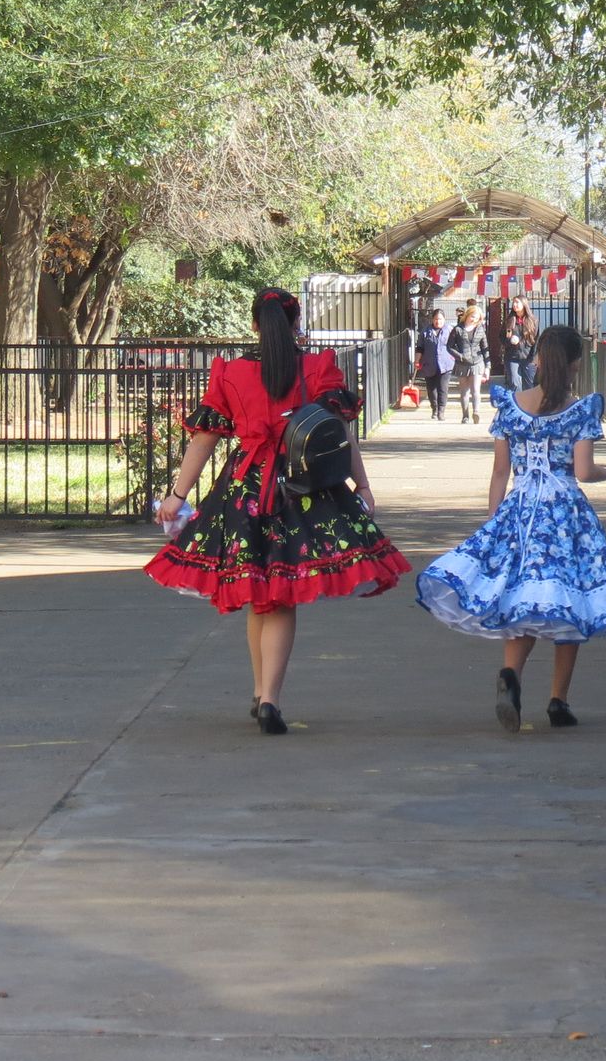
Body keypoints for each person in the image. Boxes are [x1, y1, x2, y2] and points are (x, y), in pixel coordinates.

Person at [146, 287, 411, 734]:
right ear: (296, 324)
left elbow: (204, 439)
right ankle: (268, 697)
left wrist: (177, 494)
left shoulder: (230, 374)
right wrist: (361, 485)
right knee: (282, 594)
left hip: (245, 490)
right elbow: (340, 432)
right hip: (302, 490)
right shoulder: (317, 368)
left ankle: (259, 691)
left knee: (259, 594)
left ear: (254, 324)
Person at [417, 323, 606, 732]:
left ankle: (511, 675)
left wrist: (492, 525)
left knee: (521, 596)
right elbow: (583, 470)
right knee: (569, 599)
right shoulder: (581, 409)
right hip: (564, 513)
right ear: (576, 363)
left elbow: (500, 472)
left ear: (538, 358)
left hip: (520, 510)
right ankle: (558, 700)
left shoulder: (510, 406)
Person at [448, 302, 491, 425]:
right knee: (464, 391)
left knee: (475, 390)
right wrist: (460, 356)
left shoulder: (480, 330)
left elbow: (485, 349)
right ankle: (465, 415)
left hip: (477, 362)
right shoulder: (457, 329)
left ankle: (476, 412)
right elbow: (449, 347)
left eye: (477, 318)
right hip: (462, 363)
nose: (474, 320)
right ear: (467, 315)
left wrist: (488, 367)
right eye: (473, 317)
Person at [412, 308, 455, 421]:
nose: (438, 321)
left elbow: (456, 345)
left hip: (445, 365)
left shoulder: (450, 330)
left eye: (440, 319)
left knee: (443, 388)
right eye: (436, 319)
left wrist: (454, 357)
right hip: (429, 364)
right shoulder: (425, 331)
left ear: (444, 319)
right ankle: (434, 409)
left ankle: (441, 411)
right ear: (432, 319)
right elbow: (420, 347)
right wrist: (417, 361)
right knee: (431, 389)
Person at [502, 299, 539, 392]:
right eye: (513, 302)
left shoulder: (533, 321)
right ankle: (517, 404)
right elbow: (501, 337)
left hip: (528, 358)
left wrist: (534, 357)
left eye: (517, 302)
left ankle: (528, 406)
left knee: (529, 386)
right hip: (512, 357)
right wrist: (509, 340)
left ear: (524, 304)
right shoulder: (509, 320)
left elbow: (536, 339)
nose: (514, 304)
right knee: (515, 384)